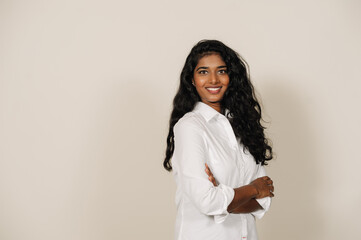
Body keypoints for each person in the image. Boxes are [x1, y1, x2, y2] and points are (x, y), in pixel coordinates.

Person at [163, 40, 274, 240]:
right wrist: (252, 189)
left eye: (221, 71)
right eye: (203, 72)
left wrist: (226, 195)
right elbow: (207, 201)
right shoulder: (190, 127)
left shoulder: (243, 126)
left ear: (231, 77)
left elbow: (263, 201)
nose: (213, 80)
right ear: (192, 80)